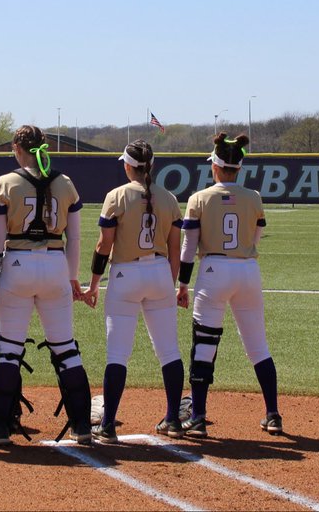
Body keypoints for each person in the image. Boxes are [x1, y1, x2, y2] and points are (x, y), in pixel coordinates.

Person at [0, 125, 92, 446]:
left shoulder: (6, 182)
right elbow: (74, 237)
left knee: (9, 349)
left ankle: (0, 427)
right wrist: (73, 276)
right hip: (56, 263)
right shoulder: (66, 183)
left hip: (17, 263)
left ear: (19, 148)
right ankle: (82, 425)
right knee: (65, 348)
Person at [177, 133, 282, 437]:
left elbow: (188, 247)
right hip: (248, 270)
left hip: (214, 270)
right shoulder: (254, 197)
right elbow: (256, 236)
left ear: (217, 167)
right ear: (238, 168)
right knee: (258, 346)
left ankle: (197, 416)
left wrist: (182, 284)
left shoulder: (200, 198)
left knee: (205, 345)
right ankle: (273, 414)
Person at [83, 140, 187, 443]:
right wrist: (168, 284)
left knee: (118, 353)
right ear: (150, 166)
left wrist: (93, 283)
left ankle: (109, 425)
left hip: (125, 273)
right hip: (158, 272)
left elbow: (104, 245)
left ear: (129, 165)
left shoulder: (116, 196)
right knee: (169, 350)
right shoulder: (168, 198)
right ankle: (172, 419)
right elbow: (174, 250)